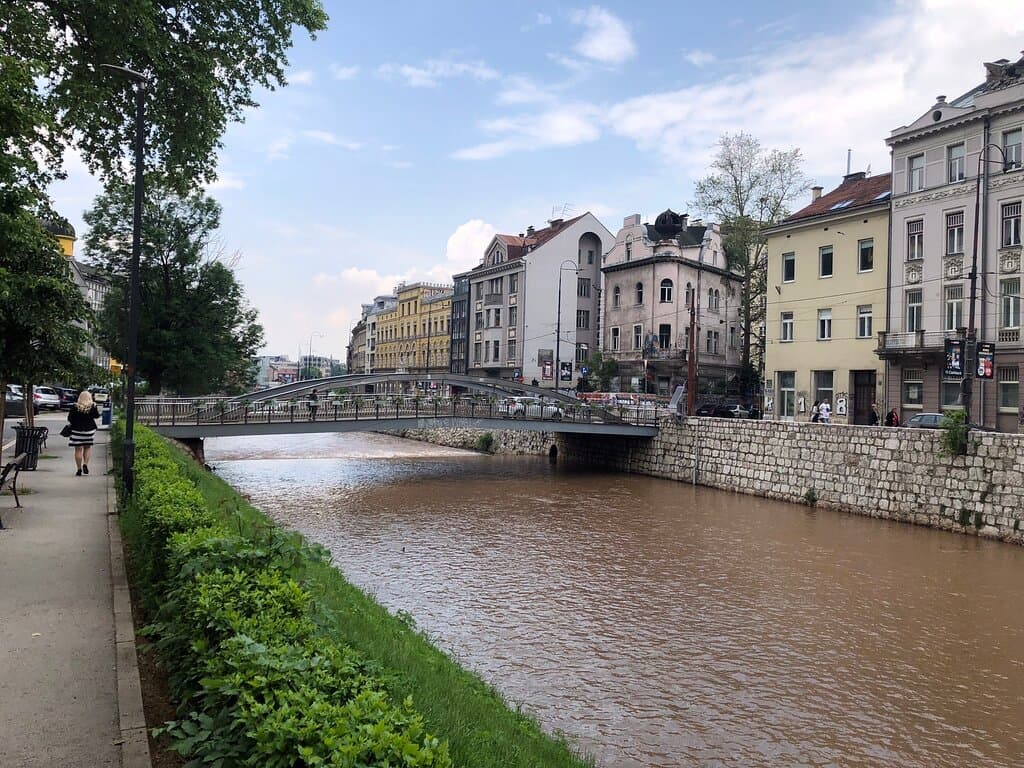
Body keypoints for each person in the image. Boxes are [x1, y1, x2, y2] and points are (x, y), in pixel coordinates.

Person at [67, 390, 100, 476]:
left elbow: (70, 418)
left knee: (78, 450)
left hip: (76, 431)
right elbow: (97, 416)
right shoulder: (92, 406)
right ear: (90, 398)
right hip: (89, 431)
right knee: (87, 448)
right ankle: (85, 464)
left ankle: (78, 469)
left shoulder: (75, 407)